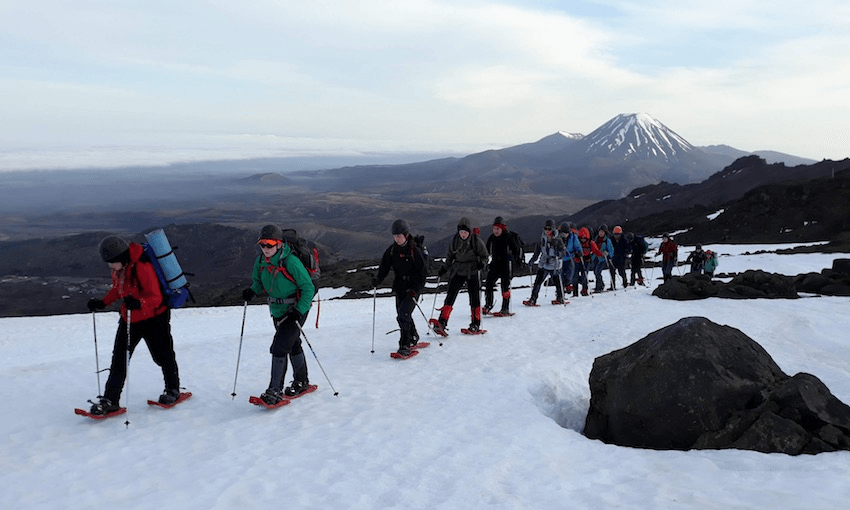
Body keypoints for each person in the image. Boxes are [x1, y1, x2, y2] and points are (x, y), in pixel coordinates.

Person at [85, 235, 183, 415]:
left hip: (154, 318)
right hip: (130, 318)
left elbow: (156, 297)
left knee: (163, 355)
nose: (111, 267)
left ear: (122, 258)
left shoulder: (143, 267)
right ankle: (110, 400)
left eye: (112, 263)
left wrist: (139, 303)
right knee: (119, 359)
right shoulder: (120, 269)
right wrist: (102, 302)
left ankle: (173, 389)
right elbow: (118, 289)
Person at [242, 224, 316, 405]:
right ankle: (302, 382)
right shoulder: (260, 262)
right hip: (277, 311)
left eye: (269, 244)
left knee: (279, 347)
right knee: (293, 344)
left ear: (279, 244)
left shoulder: (290, 262)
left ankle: (274, 391)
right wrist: (252, 291)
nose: (265, 249)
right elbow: (258, 282)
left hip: (295, 310)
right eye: (262, 244)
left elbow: (308, 288)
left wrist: (299, 311)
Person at [372, 219, 428, 356]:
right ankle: (413, 336)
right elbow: (384, 267)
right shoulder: (392, 250)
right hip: (400, 286)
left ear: (406, 235)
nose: (396, 239)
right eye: (395, 236)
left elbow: (423, 272)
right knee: (401, 314)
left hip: (413, 287)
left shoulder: (414, 250)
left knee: (404, 314)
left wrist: (415, 289)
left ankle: (405, 345)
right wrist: (377, 280)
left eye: (399, 236)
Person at [434, 217, 489, 334]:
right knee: (451, 295)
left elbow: (485, 255)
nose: (463, 235)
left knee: (474, 298)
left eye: (465, 232)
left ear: (469, 232)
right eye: (461, 232)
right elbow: (449, 257)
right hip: (458, 270)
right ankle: (442, 321)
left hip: (473, 270)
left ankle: (475, 323)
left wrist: (482, 264)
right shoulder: (454, 241)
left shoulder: (476, 241)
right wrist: (444, 268)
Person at [483, 216, 524, 315]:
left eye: (498, 229)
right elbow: (486, 251)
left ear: (502, 228)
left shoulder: (509, 237)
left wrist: (515, 261)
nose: (496, 231)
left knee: (505, 286)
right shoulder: (492, 238)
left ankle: (505, 308)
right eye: (494, 229)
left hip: (507, 264)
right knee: (488, 283)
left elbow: (516, 250)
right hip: (495, 264)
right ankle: (488, 304)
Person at [524, 219, 567, 305]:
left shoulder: (558, 239)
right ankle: (533, 299)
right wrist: (533, 260)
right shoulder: (542, 238)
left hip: (554, 264)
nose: (547, 231)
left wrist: (558, 253)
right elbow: (538, 251)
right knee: (538, 282)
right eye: (546, 229)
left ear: (553, 229)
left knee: (557, 282)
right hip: (544, 263)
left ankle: (560, 298)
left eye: (549, 229)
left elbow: (563, 252)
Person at [573, 227, 605, 296]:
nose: (583, 239)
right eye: (581, 238)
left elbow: (596, 251)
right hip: (577, 261)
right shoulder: (576, 242)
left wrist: (602, 254)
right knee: (575, 276)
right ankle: (575, 292)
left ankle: (584, 290)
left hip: (586, 261)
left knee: (584, 276)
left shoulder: (590, 243)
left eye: (585, 238)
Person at [559, 222, 581, 295]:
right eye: (564, 232)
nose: (565, 234)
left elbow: (577, 245)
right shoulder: (557, 238)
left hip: (569, 257)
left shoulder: (573, 237)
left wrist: (579, 251)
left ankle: (568, 285)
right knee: (560, 275)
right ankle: (560, 292)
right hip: (560, 259)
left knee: (570, 272)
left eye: (567, 232)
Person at [592, 226, 614, 292]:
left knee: (597, 272)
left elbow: (611, 250)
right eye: (600, 231)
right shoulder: (595, 239)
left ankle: (599, 287)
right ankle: (600, 285)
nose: (601, 233)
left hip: (602, 259)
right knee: (595, 272)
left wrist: (608, 254)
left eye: (602, 232)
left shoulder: (607, 240)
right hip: (595, 257)